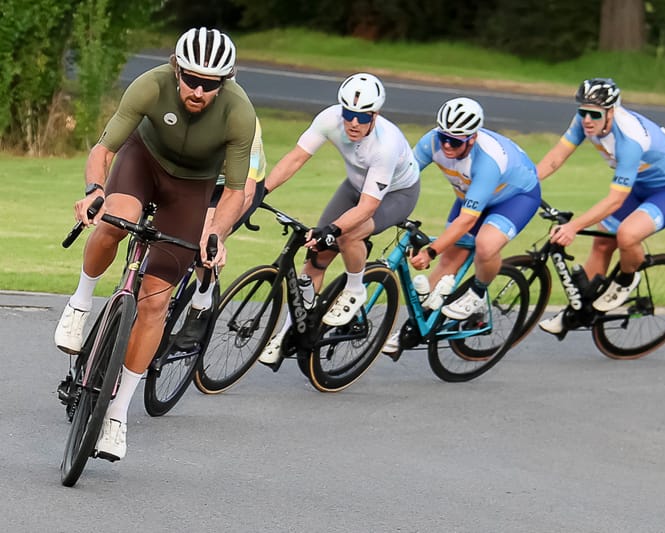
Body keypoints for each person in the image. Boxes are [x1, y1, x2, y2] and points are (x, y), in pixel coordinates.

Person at [53, 27, 257, 461]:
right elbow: (103, 149)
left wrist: (216, 232)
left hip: (193, 186)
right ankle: (80, 303)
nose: (198, 91)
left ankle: (117, 415)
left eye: (210, 84)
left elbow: (237, 191)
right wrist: (94, 190)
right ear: (176, 69)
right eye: (192, 79)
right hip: (142, 161)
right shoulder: (151, 85)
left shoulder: (239, 112)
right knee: (116, 220)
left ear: (225, 82)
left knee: (156, 302)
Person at [256, 73, 420, 365]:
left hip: (396, 195)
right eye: (348, 114)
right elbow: (296, 157)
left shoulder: (386, 144)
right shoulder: (329, 119)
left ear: (375, 115)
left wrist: (332, 229)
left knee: (348, 235)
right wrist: (261, 191)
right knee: (315, 256)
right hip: (355, 186)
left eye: (363, 116)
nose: (354, 122)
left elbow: (367, 208)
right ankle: (288, 332)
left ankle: (355, 290)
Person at [382, 96, 541, 357]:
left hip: (514, 198)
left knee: (485, 245)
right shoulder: (431, 142)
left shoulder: (487, 161)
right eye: (443, 136)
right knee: (449, 260)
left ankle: (478, 293)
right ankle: (416, 325)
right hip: (471, 195)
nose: (446, 145)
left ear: (472, 138)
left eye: (455, 141)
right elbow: (402, 178)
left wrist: (430, 251)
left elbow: (467, 220)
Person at [537, 77, 665, 335]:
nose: (587, 120)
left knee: (627, 235)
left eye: (595, 114)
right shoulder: (585, 121)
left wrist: (573, 227)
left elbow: (615, 200)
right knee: (602, 243)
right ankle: (578, 310)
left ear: (611, 112)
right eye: (583, 112)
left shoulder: (630, 140)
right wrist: (525, 185)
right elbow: (556, 157)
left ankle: (627, 278)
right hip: (638, 185)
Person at [172, 116, 267, 349]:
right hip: (198, 180)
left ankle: (201, 305)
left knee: (205, 240)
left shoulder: (245, 122)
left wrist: (217, 231)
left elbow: (246, 191)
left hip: (234, 186)